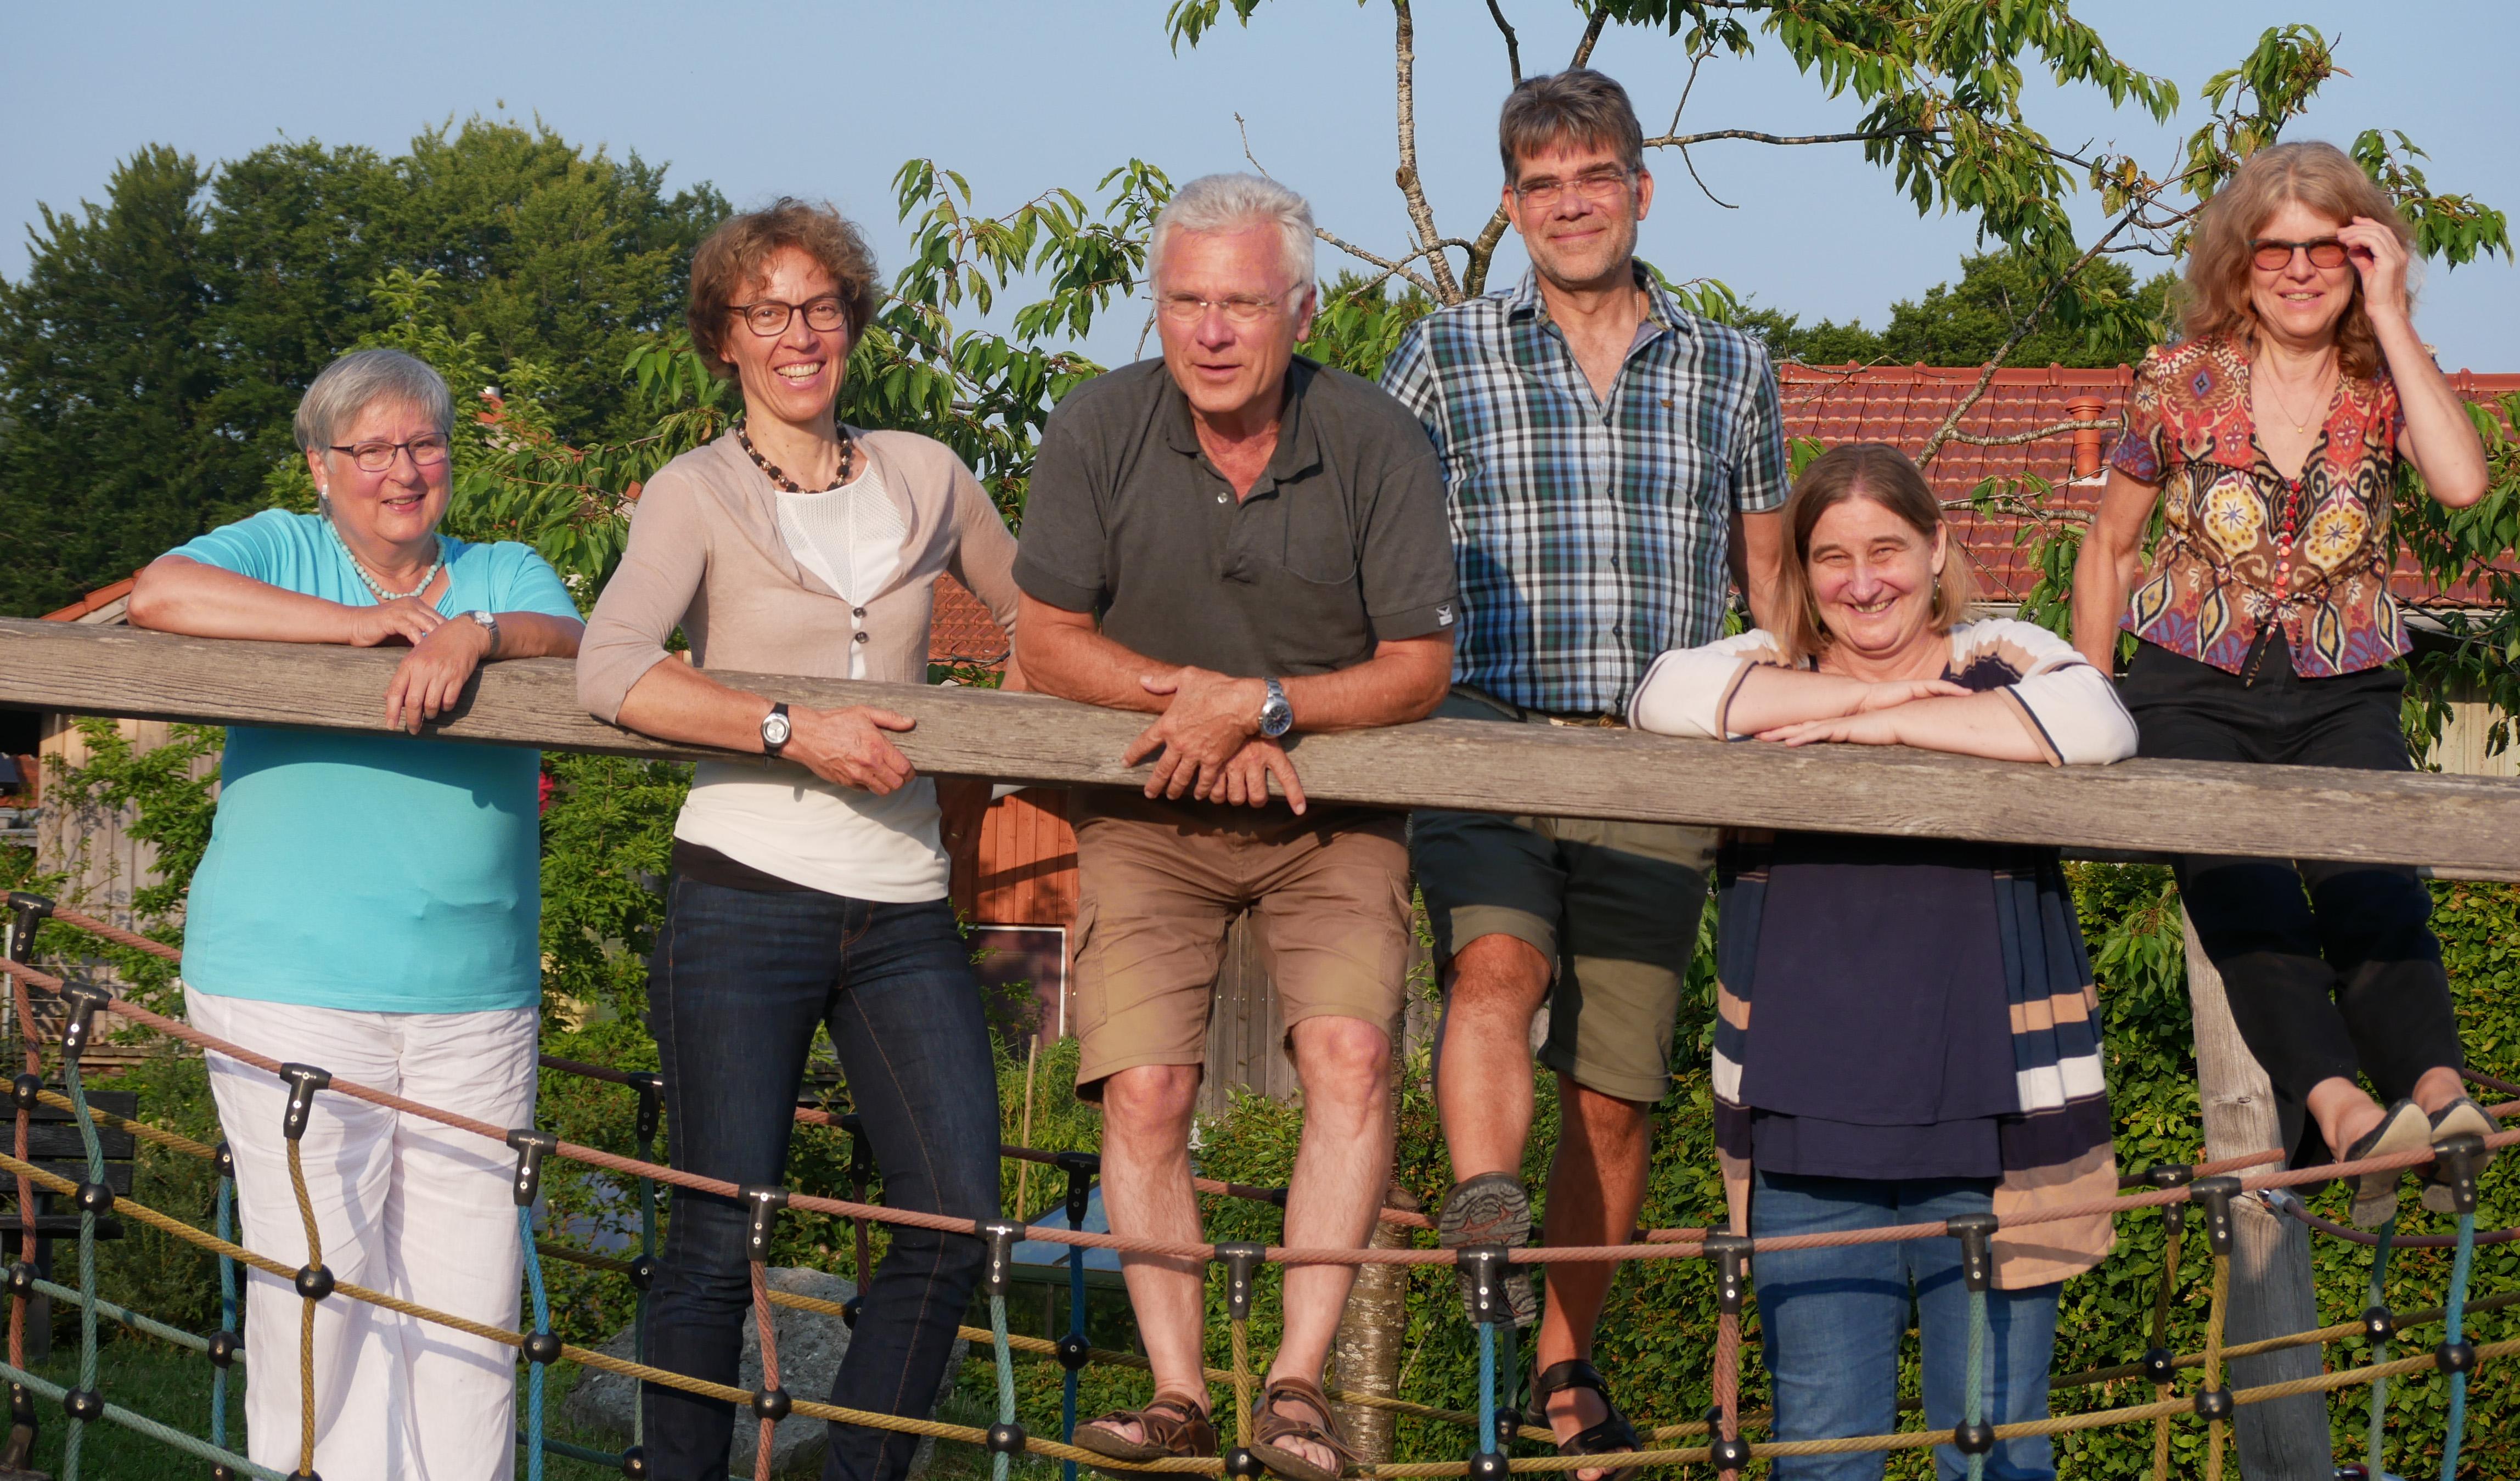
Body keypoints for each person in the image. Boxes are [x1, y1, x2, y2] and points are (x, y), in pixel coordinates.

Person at [1377, 67, 1788, 1475]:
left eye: (1593, 176)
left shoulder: (1734, 364)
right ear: (1511, 207)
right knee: (1498, 971)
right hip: (1484, 725)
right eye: (1542, 185)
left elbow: (1771, 588)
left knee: (1617, 1092)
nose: (1569, 204)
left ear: (1635, 189)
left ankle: (1566, 1363)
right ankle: (1487, 1202)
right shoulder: (1439, 352)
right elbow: (1369, 545)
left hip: (1659, 761)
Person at [1013, 173, 1455, 1481]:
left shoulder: (1377, 440)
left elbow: (1420, 665)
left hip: (1331, 807)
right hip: (1149, 804)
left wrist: (1268, 710)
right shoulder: (1093, 426)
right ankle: (1174, 1393)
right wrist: (1193, 709)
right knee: (1143, 1087)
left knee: (1350, 1059)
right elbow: (1042, 640)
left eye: (1242, 304)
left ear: (1300, 309)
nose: (1210, 330)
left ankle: (1298, 1386)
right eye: (1185, 300)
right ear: (1156, 308)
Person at [576, 199, 1019, 1481]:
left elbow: (1042, 618)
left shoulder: (929, 474)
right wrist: (792, 727)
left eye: (820, 306)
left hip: (903, 906)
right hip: (740, 895)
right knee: (722, 1232)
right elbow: (612, 670)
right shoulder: (696, 490)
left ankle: (854, 1470)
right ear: (726, 338)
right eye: (767, 312)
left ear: (852, 322)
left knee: (954, 1218)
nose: (798, 334)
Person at [126, 347, 586, 1480]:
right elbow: (159, 593)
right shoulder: (279, 547)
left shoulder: (502, 565)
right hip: (287, 984)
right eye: (371, 449)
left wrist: (469, 631)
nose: (401, 470)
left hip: (476, 1001)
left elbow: (576, 637)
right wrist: (351, 629)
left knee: (468, 1303)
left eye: (423, 444)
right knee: (318, 1281)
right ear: (322, 466)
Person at [1630, 443, 2132, 1481]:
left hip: (1999, 1137)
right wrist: (1861, 708)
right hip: (1807, 1134)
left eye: (1888, 550)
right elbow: (1659, 696)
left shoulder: (2003, 654)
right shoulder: (1761, 665)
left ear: (1938, 546)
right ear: (1802, 573)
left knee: (1995, 1457)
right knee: (1823, 1459)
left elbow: (2099, 721)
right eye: (1832, 557)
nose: (1863, 583)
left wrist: (1898, 715)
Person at [2071, 141, 2496, 1223]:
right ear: (2238, 260)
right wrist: (2086, 696)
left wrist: (2393, 315)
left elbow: (2459, 482)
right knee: (2243, 893)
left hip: (2343, 683)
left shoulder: (2385, 376)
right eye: (2277, 249)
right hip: (2189, 681)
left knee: (2375, 887)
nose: (2301, 269)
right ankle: (2347, 1119)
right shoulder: (2176, 376)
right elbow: (2108, 550)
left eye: (2329, 248)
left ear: (2366, 255)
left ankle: (2442, 1103)